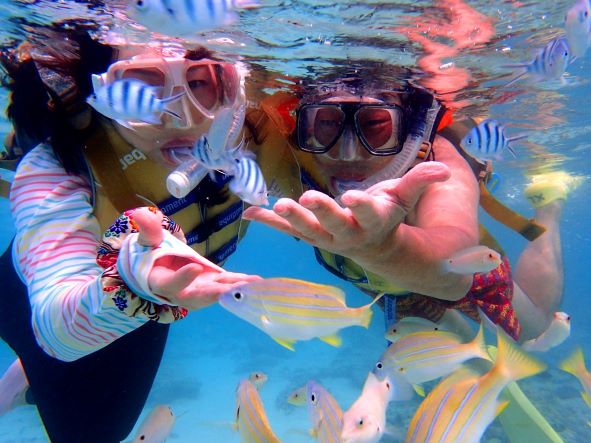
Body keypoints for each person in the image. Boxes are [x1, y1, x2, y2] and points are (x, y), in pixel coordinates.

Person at [0, 25, 260, 442]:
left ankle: (26, 375)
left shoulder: (254, 137)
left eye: (200, 84)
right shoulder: (52, 169)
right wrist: (135, 285)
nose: (183, 115)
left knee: (99, 430)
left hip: (148, 299)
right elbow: (54, 330)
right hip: (42, 293)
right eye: (141, 88)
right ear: (99, 94)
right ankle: (24, 370)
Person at [242, 77, 578, 343]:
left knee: (532, 329)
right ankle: (463, 346)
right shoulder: (290, 151)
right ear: (304, 124)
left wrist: (385, 249)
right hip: (378, 279)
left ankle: (549, 204)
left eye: (375, 125)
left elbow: (455, 262)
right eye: (327, 123)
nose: (346, 153)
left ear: (410, 129)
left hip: (422, 269)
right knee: (451, 331)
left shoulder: (436, 162)